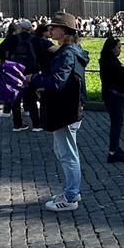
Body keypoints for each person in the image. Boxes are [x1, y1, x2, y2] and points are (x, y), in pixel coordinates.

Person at [32, 13, 89, 212]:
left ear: (64, 31)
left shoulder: (66, 53)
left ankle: (71, 196)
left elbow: (57, 81)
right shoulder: (72, 50)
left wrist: (35, 79)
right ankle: (72, 190)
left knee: (67, 154)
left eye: (54, 28)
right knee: (64, 151)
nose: (50, 31)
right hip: (70, 107)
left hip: (66, 109)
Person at [0, 19, 43, 132]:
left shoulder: (13, 38)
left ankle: (17, 124)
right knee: (31, 99)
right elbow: (41, 53)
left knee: (15, 98)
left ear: (20, 28)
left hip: (15, 71)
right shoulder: (36, 39)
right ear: (30, 28)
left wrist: (5, 60)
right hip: (31, 72)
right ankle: (36, 124)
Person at [99, 36, 124, 164]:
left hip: (109, 94)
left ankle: (115, 148)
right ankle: (113, 151)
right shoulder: (112, 62)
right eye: (118, 47)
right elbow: (122, 78)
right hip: (114, 95)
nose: (120, 50)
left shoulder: (105, 60)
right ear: (112, 49)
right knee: (116, 124)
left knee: (116, 123)